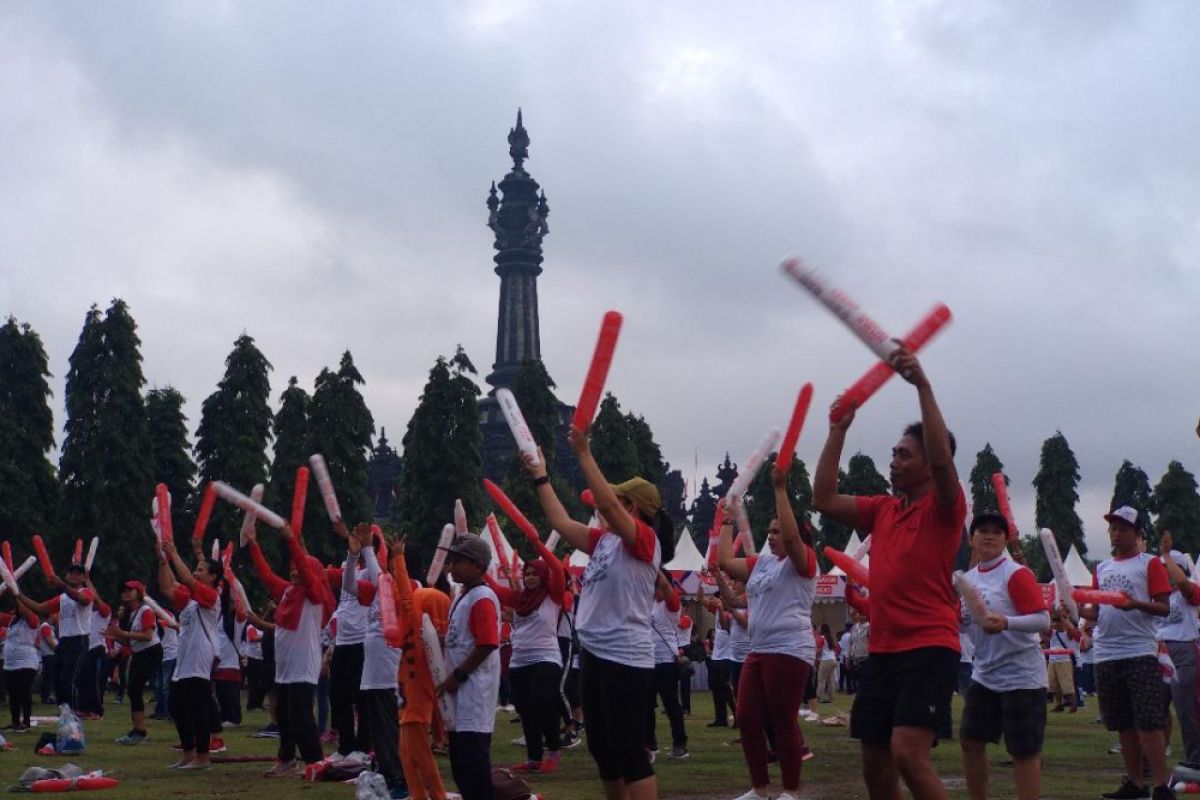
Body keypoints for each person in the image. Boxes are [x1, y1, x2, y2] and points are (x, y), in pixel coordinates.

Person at [813, 346, 965, 800]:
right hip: (884, 650)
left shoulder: (946, 507)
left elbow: (942, 462)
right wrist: (837, 431)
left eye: (904, 454)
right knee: (875, 762)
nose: (893, 460)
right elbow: (823, 498)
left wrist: (922, 385)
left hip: (930, 646)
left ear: (927, 465)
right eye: (893, 452)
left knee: (907, 753)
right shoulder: (883, 509)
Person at [524, 430, 665, 800]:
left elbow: (609, 505)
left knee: (629, 749)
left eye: (616, 501)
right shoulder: (604, 542)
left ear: (630, 508)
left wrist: (584, 453)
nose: (602, 505)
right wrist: (541, 476)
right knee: (602, 748)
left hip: (626, 656)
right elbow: (559, 521)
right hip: (596, 653)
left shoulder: (645, 540)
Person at [718, 465, 818, 800]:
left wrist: (780, 489)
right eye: (769, 531)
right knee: (746, 718)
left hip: (790, 648)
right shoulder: (761, 563)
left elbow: (792, 539)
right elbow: (724, 562)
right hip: (758, 649)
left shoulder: (802, 561)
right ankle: (759, 790)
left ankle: (790, 791)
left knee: (781, 719)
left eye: (778, 530)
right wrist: (728, 519)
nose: (772, 535)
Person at [1081, 505, 1173, 800]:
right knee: (1122, 722)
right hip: (1106, 653)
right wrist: (1073, 609)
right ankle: (1135, 783)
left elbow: (1164, 607)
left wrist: (1136, 604)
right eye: (1113, 529)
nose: (1117, 534)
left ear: (1136, 533)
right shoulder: (1102, 568)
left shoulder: (1149, 564)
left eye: (1123, 529)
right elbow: (1094, 611)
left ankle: (1160, 785)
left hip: (1139, 651)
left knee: (1148, 721)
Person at [957, 510, 1051, 800]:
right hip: (984, 674)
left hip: (1021, 676)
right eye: (982, 530)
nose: (989, 535)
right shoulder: (967, 580)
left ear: (1004, 539)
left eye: (997, 532)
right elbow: (965, 622)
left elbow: (1043, 620)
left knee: (1023, 751)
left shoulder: (1014, 573)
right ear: (971, 538)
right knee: (971, 741)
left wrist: (1006, 622)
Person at [245, 520, 335, 777]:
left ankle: (315, 761)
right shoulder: (287, 591)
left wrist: (292, 542)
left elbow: (307, 571)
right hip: (285, 666)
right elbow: (266, 574)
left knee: (301, 716)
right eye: (293, 565)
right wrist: (254, 546)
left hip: (302, 664)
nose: (295, 569)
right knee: (283, 715)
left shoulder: (314, 593)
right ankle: (286, 760)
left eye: (300, 566)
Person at [485, 527, 568, 774]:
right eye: (527, 573)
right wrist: (481, 569)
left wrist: (539, 544)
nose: (530, 577)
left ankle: (553, 750)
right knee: (525, 709)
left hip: (546, 658)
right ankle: (533, 758)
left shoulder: (552, 594)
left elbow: (554, 567)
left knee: (543, 701)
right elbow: (495, 589)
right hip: (519, 662)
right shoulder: (518, 598)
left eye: (534, 573)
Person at [437, 534, 501, 800]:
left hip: (474, 691)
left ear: (478, 565)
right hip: (460, 693)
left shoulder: (482, 597)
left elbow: (487, 643)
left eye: (459, 561)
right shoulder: (463, 596)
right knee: (461, 766)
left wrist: (458, 675)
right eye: (451, 560)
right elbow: (461, 638)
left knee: (473, 767)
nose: (452, 566)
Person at [391, 540, 450, 800]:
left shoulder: (421, 629)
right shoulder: (421, 631)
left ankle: (435, 795)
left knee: (418, 754)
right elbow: (402, 597)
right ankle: (418, 795)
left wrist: (398, 559)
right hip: (406, 696)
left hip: (414, 700)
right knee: (406, 753)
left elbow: (404, 595)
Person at [157, 537, 222, 770]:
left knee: (198, 705)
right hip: (185, 657)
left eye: (201, 570)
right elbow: (168, 588)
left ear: (213, 577)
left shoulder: (211, 597)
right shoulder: (191, 601)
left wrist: (173, 553)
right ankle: (188, 753)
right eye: (196, 568)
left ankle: (203, 758)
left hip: (201, 655)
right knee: (176, 705)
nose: (196, 572)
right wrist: (163, 561)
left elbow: (184, 579)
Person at [16, 563, 94, 713]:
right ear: (66, 575)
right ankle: (64, 713)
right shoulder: (62, 598)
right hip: (64, 642)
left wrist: (62, 584)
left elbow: (82, 599)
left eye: (78, 573)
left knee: (68, 679)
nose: (74, 575)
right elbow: (40, 608)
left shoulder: (86, 591)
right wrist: (18, 594)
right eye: (71, 572)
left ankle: (73, 714)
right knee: (58, 680)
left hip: (78, 640)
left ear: (84, 578)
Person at [1157, 531, 1200, 772]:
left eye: (1167, 568)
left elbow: (1183, 584)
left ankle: (1196, 756)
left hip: (1184, 651)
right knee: (1155, 709)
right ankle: (1154, 758)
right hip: (1160, 651)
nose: (1162, 571)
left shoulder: (1189, 591)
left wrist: (1166, 555)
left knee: (1187, 709)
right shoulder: (1157, 597)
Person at [107, 580, 164, 744]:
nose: (125, 593)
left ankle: (140, 731)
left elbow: (147, 636)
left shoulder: (145, 610)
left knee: (134, 688)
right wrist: (115, 637)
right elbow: (130, 641)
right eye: (123, 590)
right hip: (139, 652)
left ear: (138, 592)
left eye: (129, 590)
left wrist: (123, 633)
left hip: (150, 652)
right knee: (132, 690)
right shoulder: (129, 613)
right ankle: (137, 730)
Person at [646, 571, 689, 760]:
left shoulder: (671, 604)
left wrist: (655, 568)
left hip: (666, 662)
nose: (654, 590)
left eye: (656, 586)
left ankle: (680, 744)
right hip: (648, 661)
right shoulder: (651, 604)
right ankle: (650, 743)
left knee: (672, 705)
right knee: (645, 706)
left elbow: (665, 586)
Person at [2, 595, 40, 731]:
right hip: (10, 664)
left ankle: (27, 721)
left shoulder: (32, 619)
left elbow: (25, 612)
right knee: (12, 694)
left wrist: (15, 593)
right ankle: (15, 721)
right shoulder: (11, 620)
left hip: (26, 663)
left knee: (24, 692)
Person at [707, 602, 735, 727]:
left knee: (727, 690)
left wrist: (721, 607)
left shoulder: (732, 612)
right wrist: (701, 586)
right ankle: (720, 718)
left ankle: (737, 715)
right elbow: (701, 599)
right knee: (716, 689)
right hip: (716, 656)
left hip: (727, 656)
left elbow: (726, 626)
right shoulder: (718, 611)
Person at [1047, 613, 1081, 713]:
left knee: (1067, 685)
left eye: (1057, 621)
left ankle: (1074, 704)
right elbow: (1043, 631)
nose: (1055, 623)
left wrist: (1063, 618)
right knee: (1054, 685)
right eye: (1054, 621)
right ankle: (1059, 704)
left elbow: (1072, 631)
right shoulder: (1053, 633)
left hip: (1065, 661)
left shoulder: (1069, 633)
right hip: (1052, 660)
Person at [817, 624, 839, 703]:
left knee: (821, 680)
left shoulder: (822, 638)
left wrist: (816, 656)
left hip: (825, 660)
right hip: (833, 659)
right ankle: (831, 698)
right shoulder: (831, 638)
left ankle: (818, 698)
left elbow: (819, 650)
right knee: (830, 680)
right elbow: (836, 648)